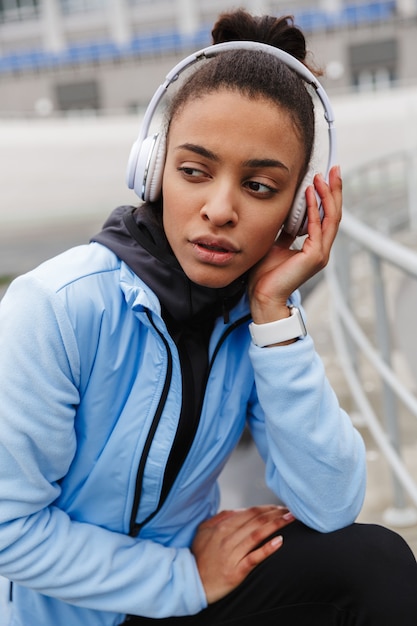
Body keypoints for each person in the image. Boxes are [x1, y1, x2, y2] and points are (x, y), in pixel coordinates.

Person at [0, 8, 416, 626]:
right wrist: (183, 578)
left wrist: (275, 317)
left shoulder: (257, 315)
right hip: (90, 607)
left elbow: (330, 504)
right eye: (194, 172)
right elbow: (10, 531)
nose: (219, 209)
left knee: (374, 560)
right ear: (153, 169)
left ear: (298, 211)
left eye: (260, 187)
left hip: (191, 591)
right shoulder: (57, 307)